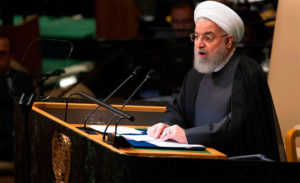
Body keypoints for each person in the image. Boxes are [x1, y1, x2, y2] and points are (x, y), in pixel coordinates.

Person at [147, 1, 285, 161]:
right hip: (197, 159)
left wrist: (188, 135)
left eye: (208, 38)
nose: (199, 45)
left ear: (228, 41)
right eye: (196, 37)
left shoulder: (246, 72)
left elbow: (237, 126)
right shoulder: (196, 73)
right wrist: (168, 125)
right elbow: (178, 108)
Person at [0, 33, 33, 161]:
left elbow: (30, 108)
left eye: (2, 53)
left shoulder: (23, 79)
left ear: (11, 56)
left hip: (21, 135)